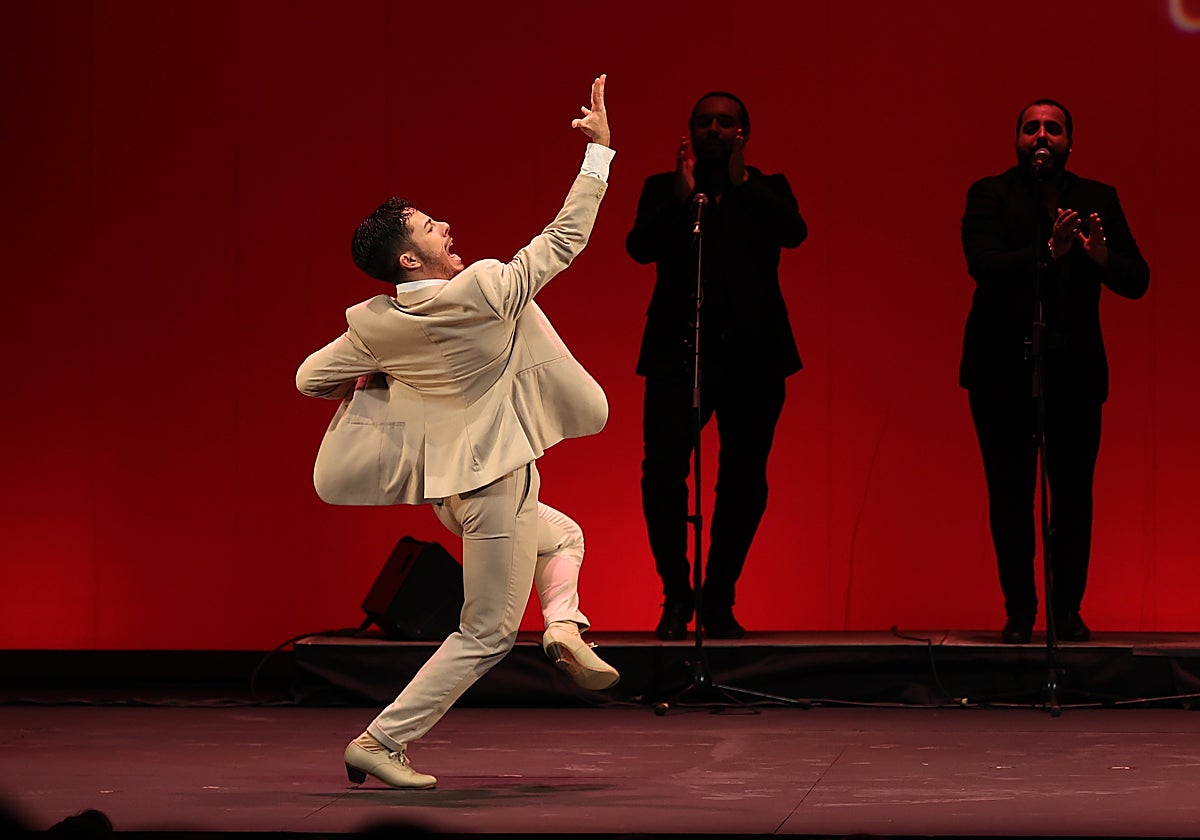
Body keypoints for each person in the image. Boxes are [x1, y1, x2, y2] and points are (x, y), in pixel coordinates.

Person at [296, 75, 618, 789]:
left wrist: (378, 383)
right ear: (410, 259)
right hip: (495, 485)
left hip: (447, 491)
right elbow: (562, 241)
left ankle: (564, 625)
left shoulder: (374, 324)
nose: (444, 226)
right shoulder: (481, 290)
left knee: (563, 537)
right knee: (488, 632)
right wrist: (598, 154)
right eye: (428, 226)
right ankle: (381, 741)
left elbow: (308, 379)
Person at [960, 98, 1149, 645]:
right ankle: (1020, 612)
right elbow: (984, 266)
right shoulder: (990, 194)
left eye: (1054, 128)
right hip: (1001, 367)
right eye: (1031, 128)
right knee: (1011, 494)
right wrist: (1049, 251)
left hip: (1075, 368)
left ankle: (1067, 612)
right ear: (1017, 139)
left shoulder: (1097, 199)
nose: (1041, 136)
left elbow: (1138, 279)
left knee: (1072, 495)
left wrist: (1098, 259)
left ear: (1070, 142)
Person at [626, 92, 808, 640]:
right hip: (678, 353)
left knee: (743, 479)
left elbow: (795, 232)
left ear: (743, 133)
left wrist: (744, 182)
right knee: (661, 472)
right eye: (703, 121)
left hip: (755, 357)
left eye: (725, 122)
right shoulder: (666, 190)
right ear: (689, 131)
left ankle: (719, 595)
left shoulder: (767, 187)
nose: (713, 130)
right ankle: (675, 595)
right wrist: (682, 198)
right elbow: (639, 247)